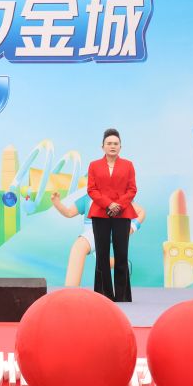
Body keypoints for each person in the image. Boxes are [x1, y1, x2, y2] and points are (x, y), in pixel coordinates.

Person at [51, 188, 145, 287]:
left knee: (79, 247)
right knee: (103, 261)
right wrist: (57, 203)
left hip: (104, 229)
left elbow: (141, 212)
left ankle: (70, 292)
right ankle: (124, 264)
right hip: (91, 232)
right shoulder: (88, 197)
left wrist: (131, 228)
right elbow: (69, 212)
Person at [86, 128, 136, 302]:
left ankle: (122, 296)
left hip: (123, 213)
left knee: (121, 254)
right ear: (102, 146)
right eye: (109, 143)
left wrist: (118, 205)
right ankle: (103, 294)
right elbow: (91, 189)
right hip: (100, 213)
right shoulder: (94, 165)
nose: (112, 146)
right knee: (102, 254)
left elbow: (132, 189)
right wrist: (108, 204)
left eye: (115, 143)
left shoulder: (128, 165)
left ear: (120, 146)